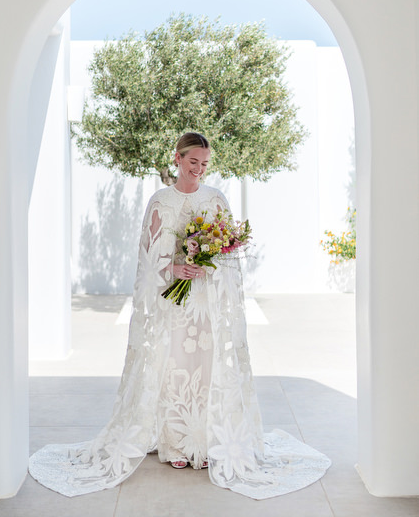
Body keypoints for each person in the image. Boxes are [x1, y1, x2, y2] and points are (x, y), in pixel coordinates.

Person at [29, 132, 331, 499]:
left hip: (204, 301)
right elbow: (146, 258)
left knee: (205, 366)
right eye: (193, 163)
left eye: (205, 164)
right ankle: (175, 446)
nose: (199, 170)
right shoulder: (160, 201)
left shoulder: (215, 199)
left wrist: (208, 264)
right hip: (173, 304)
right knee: (174, 366)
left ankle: (204, 445)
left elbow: (229, 256)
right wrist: (173, 268)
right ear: (177, 158)